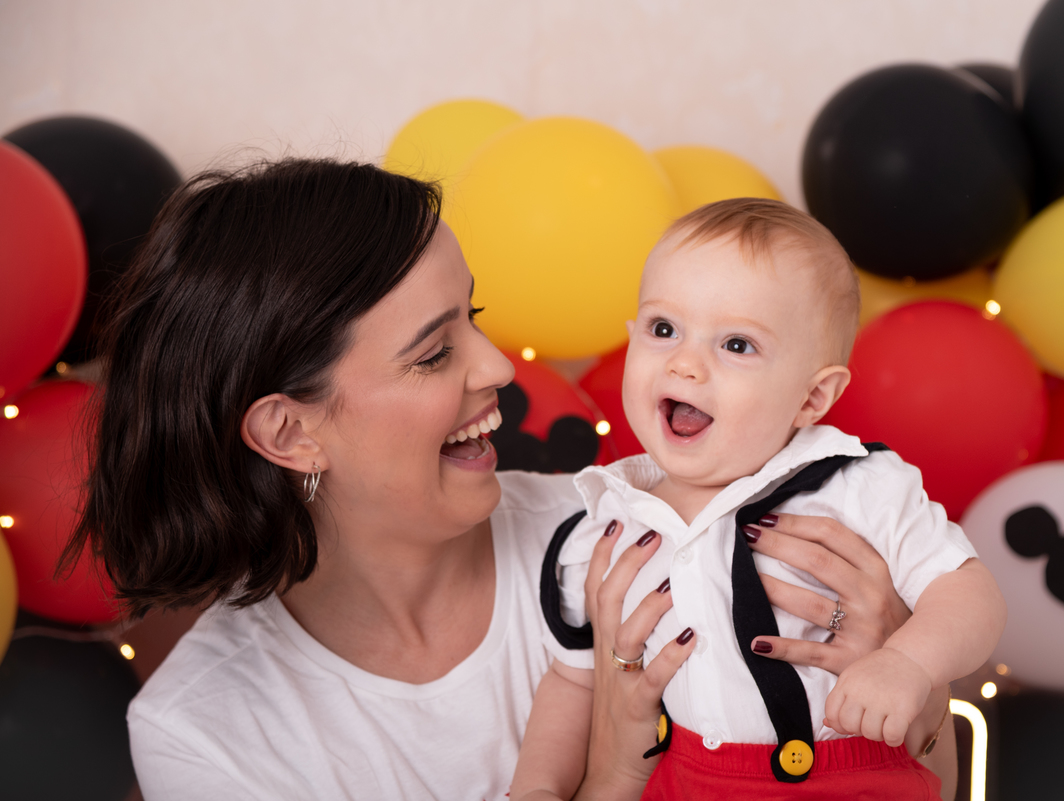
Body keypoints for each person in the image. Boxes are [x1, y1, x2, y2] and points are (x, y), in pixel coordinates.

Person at [64, 160, 959, 801]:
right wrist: (610, 769)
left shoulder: (622, 528)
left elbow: (928, 776)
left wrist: (905, 666)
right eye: (434, 352)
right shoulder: (208, 737)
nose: (497, 366)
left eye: (474, 316)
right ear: (292, 431)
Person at [513, 199, 1006, 801]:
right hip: (682, 783)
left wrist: (907, 663)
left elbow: (970, 594)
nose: (686, 363)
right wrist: (536, 789)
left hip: (847, 778)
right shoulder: (611, 518)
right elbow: (574, 680)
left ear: (811, 397)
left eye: (737, 345)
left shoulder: (854, 484)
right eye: (663, 329)